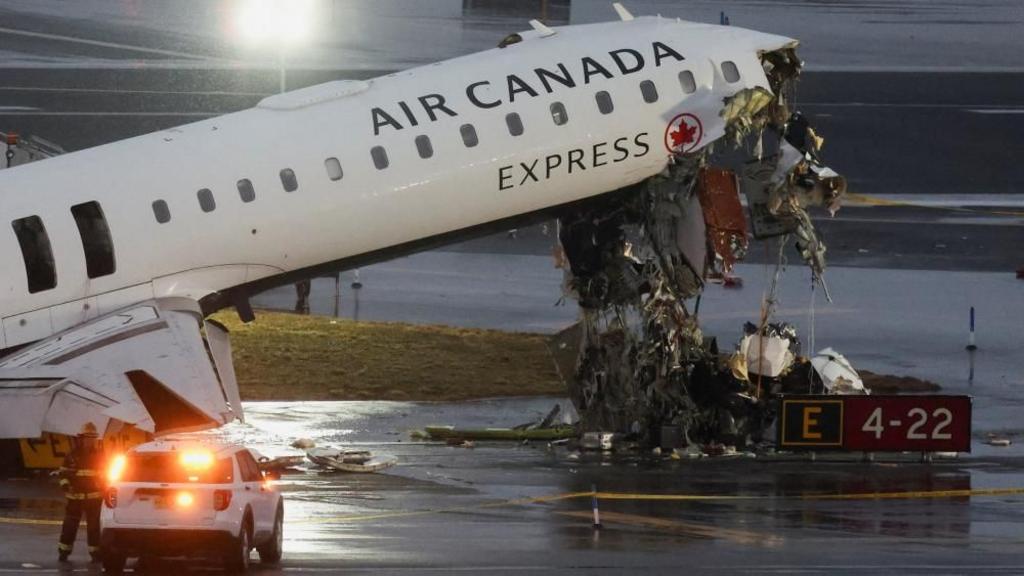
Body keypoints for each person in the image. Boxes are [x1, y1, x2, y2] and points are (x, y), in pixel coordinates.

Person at [57, 422, 105, 563]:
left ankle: (95, 553)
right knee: (69, 527)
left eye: (93, 438)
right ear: (81, 438)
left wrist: (104, 487)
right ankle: (64, 551)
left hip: (94, 499)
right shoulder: (71, 456)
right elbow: (63, 474)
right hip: (75, 498)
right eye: (88, 437)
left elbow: (106, 475)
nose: (90, 441)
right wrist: (66, 486)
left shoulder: (100, 456)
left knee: (94, 528)